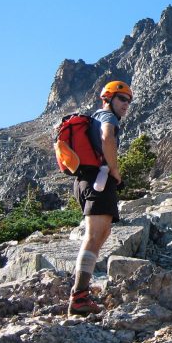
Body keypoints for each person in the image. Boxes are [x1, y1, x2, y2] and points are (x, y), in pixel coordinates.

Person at [68, 80, 133, 316]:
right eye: (122, 99)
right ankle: (79, 297)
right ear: (107, 99)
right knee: (94, 236)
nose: (126, 104)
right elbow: (107, 138)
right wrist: (115, 170)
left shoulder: (95, 117)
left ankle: (81, 292)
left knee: (100, 235)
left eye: (129, 101)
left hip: (86, 181)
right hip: (100, 180)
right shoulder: (107, 118)